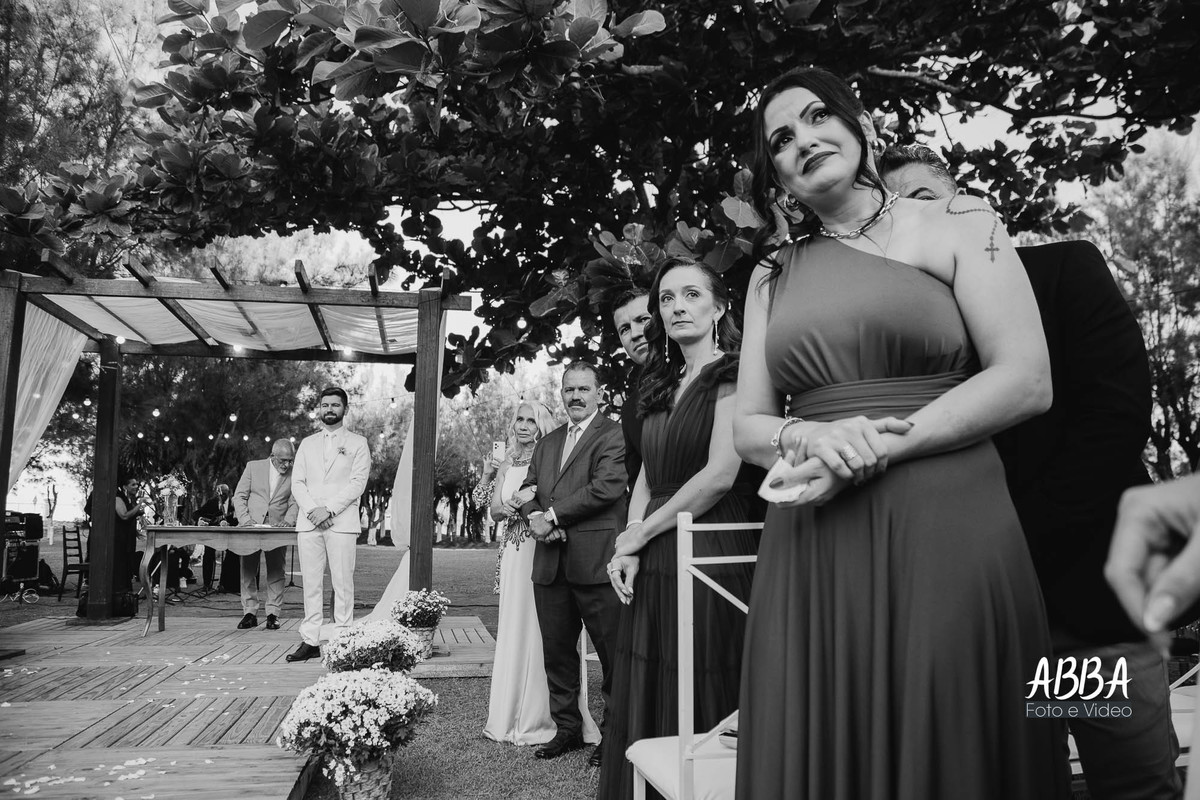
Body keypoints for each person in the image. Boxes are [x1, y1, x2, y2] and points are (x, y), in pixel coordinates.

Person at [731, 67, 1067, 799]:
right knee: (825, 731)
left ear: (862, 128)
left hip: (948, 520)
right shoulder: (769, 276)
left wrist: (875, 444)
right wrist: (807, 439)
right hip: (815, 539)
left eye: (818, 117)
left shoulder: (966, 227)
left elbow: (1026, 378)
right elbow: (749, 428)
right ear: (777, 176)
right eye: (780, 140)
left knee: (951, 725)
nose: (802, 141)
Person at [880, 143, 1180, 800]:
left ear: (972, 206)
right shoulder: (894, 335)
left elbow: (1114, 419)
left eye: (923, 198)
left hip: (1081, 601)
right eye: (892, 210)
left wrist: (1010, 546)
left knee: (1130, 782)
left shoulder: (1062, 269)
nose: (910, 217)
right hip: (966, 621)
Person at [598, 257, 764, 796]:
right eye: (666, 299)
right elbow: (647, 473)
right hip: (655, 546)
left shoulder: (734, 373)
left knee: (706, 664)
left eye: (691, 295)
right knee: (654, 667)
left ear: (719, 307)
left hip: (711, 537)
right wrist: (629, 541)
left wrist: (642, 533)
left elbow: (719, 475)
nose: (677, 307)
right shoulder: (659, 381)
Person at [519, 362, 626, 762]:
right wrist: (534, 516)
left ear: (599, 393)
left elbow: (606, 487)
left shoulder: (614, 434)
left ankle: (615, 734)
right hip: (550, 565)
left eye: (584, 389)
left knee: (613, 655)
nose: (576, 396)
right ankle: (567, 729)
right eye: (569, 389)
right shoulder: (548, 442)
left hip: (596, 563)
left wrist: (552, 516)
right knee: (558, 653)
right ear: (561, 394)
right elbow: (528, 487)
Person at [484, 401, 602, 747]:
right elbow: (494, 510)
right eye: (519, 419)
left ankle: (543, 714)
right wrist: (508, 506)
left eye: (531, 420)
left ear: (542, 425)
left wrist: (527, 506)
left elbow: (550, 499)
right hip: (512, 552)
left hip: (540, 546)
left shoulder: (550, 458)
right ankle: (509, 712)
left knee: (541, 628)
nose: (523, 425)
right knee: (512, 625)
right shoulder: (507, 463)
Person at [286, 386, 372, 663]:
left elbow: (358, 483)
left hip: (341, 522)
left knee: (342, 582)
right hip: (309, 522)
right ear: (319, 409)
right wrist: (313, 510)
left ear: (345, 409)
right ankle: (310, 639)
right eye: (325, 405)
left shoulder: (358, 443)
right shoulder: (307, 443)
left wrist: (329, 509)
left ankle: (343, 639)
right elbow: (297, 482)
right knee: (311, 582)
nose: (329, 409)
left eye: (335, 405)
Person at [232, 438, 299, 632]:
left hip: (278, 527)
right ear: (272, 456)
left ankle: (273, 614)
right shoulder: (253, 467)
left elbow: (295, 501)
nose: (287, 465)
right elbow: (239, 496)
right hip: (251, 526)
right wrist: (245, 520)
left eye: (290, 460)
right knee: (247, 570)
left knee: (277, 570)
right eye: (283, 461)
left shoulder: (295, 472)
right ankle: (249, 613)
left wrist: (289, 521)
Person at [611, 288, 653, 491]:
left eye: (643, 320)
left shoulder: (706, 375)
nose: (635, 334)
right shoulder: (630, 409)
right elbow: (636, 482)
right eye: (625, 329)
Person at [195, 483, 239, 593]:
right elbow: (197, 513)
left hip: (230, 536)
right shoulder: (212, 502)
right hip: (214, 535)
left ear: (229, 493)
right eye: (219, 494)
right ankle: (207, 584)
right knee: (208, 553)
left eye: (224, 494)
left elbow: (239, 519)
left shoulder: (235, 503)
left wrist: (229, 523)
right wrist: (200, 520)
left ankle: (225, 584)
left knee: (233, 554)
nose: (221, 497)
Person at [115, 474, 144, 591]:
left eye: (137, 484)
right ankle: (120, 590)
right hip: (120, 537)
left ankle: (126, 590)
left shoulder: (129, 498)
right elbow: (124, 516)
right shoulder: (118, 497)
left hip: (129, 537)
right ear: (124, 486)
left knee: (128, 562)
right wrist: (139, 504)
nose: (136, 486)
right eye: (133, 484)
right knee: (121, 563)